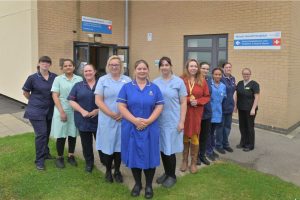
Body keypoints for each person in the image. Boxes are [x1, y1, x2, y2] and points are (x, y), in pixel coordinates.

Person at [117, 60, 164, 199]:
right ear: (135, 70)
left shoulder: (154, 88)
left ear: (148, 70)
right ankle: (138, 184)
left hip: (150, 127)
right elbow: (121, 106)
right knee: (133, 156)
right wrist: (134, 120)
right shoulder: (126, 87)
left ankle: (148, 185)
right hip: (131, 127)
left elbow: (159, 106)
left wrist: (148, 121)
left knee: (150, 155)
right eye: (139, 68)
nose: (142, 71)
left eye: (144, 68)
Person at [95, 56, 131, 183]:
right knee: (108, 146)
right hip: (107, 119)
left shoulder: (127, 80)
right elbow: (98, 100)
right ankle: (108, 171)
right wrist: (111, 113)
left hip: (123, 119)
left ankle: (117, 171)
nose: (114, 67)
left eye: (116, 64)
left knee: (119, 146)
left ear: (121, 66)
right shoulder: (102, 80)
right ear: (108, 66)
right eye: (111, 64)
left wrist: (123, 114)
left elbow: (131, 99)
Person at [153, 57, 187, 188]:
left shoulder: (178, 82)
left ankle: (172, 176)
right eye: (162, 65)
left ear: (171, 66)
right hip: (159, 121)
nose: (164, 67)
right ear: (159, 67)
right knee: (162, 148)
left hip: (173, 121)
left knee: (170, 149)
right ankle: (166, 173)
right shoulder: (155, 82)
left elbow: (184, 102)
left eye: (167, 65)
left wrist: (182, 121)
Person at [22, 56, 57, 170]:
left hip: (49, 110)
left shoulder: (54, 77)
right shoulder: (32, 78)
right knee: (41, 134)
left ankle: (46, 153)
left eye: (47, 62)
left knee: (46, 133)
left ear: (50, 64)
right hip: (36, 110)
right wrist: (34, 101)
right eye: (43, 62)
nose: (45, 64)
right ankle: (39, 161)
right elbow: (26, 92)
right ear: (39, 64)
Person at [51, 59, 83, 168]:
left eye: (70, 65)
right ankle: (59, 157)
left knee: (72, 134)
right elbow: (55, 95)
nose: (68, 67)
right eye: (65, 66)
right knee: (61, 135)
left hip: (74, 111)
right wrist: (61, 112)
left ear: (74, 67)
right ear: (62, 68)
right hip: (61, 109)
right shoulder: (58, 79)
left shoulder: (79, 79)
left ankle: (71, 156)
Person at [180, 59, 210, 174]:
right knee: (184, 136)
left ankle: (193, 162)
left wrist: (197, 101)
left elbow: (207, 96)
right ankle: (184, 161)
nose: (193, 68)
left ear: (197, 68)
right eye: (191, 66)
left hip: (196, 113)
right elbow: (177, 95)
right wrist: (188, 99)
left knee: (194, 136)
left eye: (195, 66)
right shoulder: (181, 80)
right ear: (187, 67)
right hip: (184, 112)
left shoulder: (202, 81)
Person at [68, 64, 99, 173]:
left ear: (94, 71)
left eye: (90, 71)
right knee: (86, 145)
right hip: (83, 120)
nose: (88, 73)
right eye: (86, 71)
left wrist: (99, 110)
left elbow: (109, 101)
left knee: (101, 143)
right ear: (83, 73)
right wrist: (82, 111)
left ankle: (106, 161)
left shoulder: (102, 84)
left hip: (99, 121)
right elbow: (71, 100)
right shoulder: (78, 86)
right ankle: (89, 163)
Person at [235, 68, 260, 152]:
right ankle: (243, 142)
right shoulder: (240, 83)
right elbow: (236, 95)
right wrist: (235, 106)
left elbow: (257, 97)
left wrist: (253, 109)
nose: (246, 75)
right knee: (242, 126)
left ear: (250, 74)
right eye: (244, 74)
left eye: (247, 74)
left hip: (250, 110)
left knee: (249, 127)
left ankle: (250, 145)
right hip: (241, 108)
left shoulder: (254, 84)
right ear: (242, 74)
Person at [215, 62, 236, 154]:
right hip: (222, 107)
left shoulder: (233, 78)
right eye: (226, 67)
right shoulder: (221, 78)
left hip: (230, 107)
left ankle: (225, 144)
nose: (228, 69)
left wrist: (235, 105)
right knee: (220, 127)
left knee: (227, 127)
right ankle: (218, 145)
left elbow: (234, 93)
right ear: (223, 69)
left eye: (230, 67)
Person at [206, 67, 227, 161]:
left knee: (213, 133)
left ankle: (211, 149)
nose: (218, 76)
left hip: (218, 113)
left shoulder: (223, 86)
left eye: (219, 74)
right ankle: (208, 151)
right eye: (216, 74)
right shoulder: (209, 85)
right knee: (208, 133)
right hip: (209, 112)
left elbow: (223, 99)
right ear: (212, 75)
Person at [197, 62, 212, 165]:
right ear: (199, 68)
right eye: (203, 68)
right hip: (197, 112)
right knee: (196, 136)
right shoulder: (195, 80)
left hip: (207, 112)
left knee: (204, 136)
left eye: (207, 69)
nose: (205, 71)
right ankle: (196, 156)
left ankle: (202, 155)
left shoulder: (209, 80)